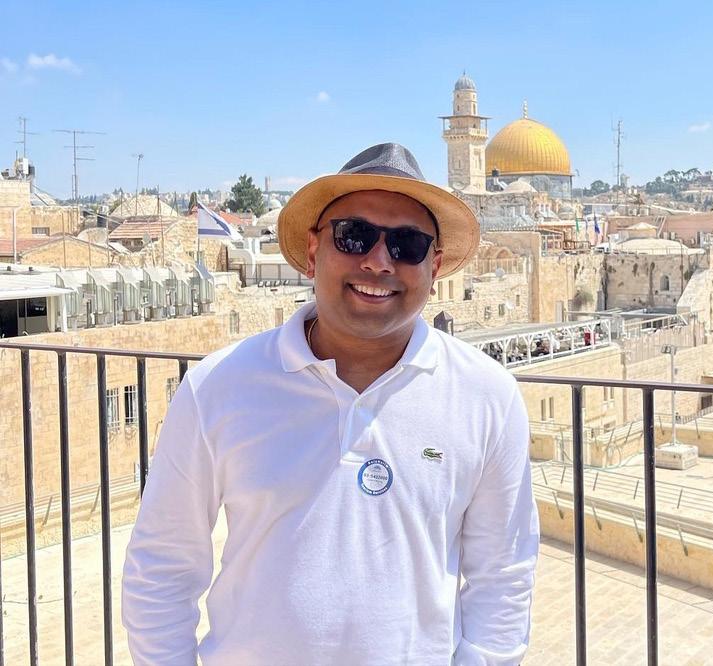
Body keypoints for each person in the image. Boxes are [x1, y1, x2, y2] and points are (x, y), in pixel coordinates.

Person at [121, 143, 540, 665]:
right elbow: (161, 567)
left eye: (407, 244)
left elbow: (503, 573)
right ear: (314, 250)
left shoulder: (486, 395)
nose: (379, 261)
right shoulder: (218, 387)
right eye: (354, 235)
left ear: (434, 267)